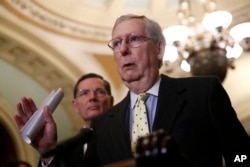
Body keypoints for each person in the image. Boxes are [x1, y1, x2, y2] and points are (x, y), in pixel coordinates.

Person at [82, 14, 250, 167]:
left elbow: (242, 155)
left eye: (133, 39)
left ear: (159, 49)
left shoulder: (203, 92)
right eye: (117, 43)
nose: (123, 50)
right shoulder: (102, 125)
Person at [14, 73, 114, 167]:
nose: (92, 97)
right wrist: (47, 152)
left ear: (111, 101)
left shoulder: (125, 136)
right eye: (84, 93)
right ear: (75, 106)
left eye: (100, 92)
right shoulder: (67, 150)